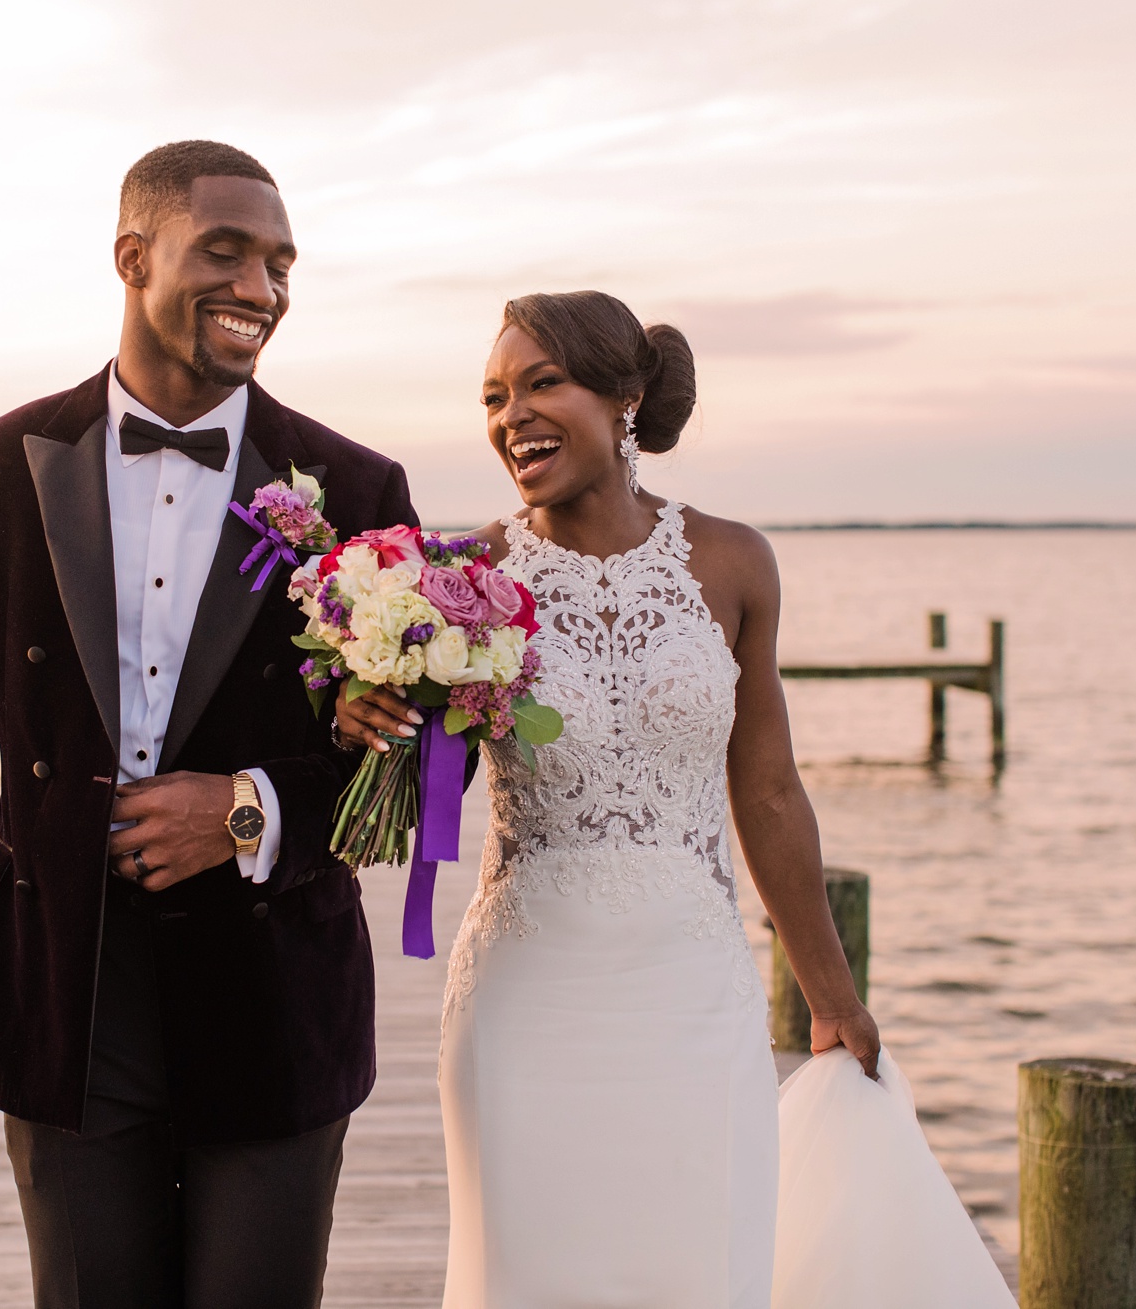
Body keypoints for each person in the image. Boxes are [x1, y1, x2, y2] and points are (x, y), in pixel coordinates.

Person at [336, 291, 1015, 1308]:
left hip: (692, 989)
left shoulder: (733, 561)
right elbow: (413, 780)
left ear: (625, 397)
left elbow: (770, 791)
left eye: (539, 383)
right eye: (492, 396)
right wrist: (372, 705)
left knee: (700, 1266)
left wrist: (832, 997)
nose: (510, 414)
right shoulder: (462, 577)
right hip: (527, 994)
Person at [0, 140, 418, 1309]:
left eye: (279, 264)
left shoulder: (352, 489)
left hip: (272, 1003)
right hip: (66, 992)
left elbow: (403, 759)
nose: (261, 288)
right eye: (226, 252)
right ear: (131, 255)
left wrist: (247, 810)